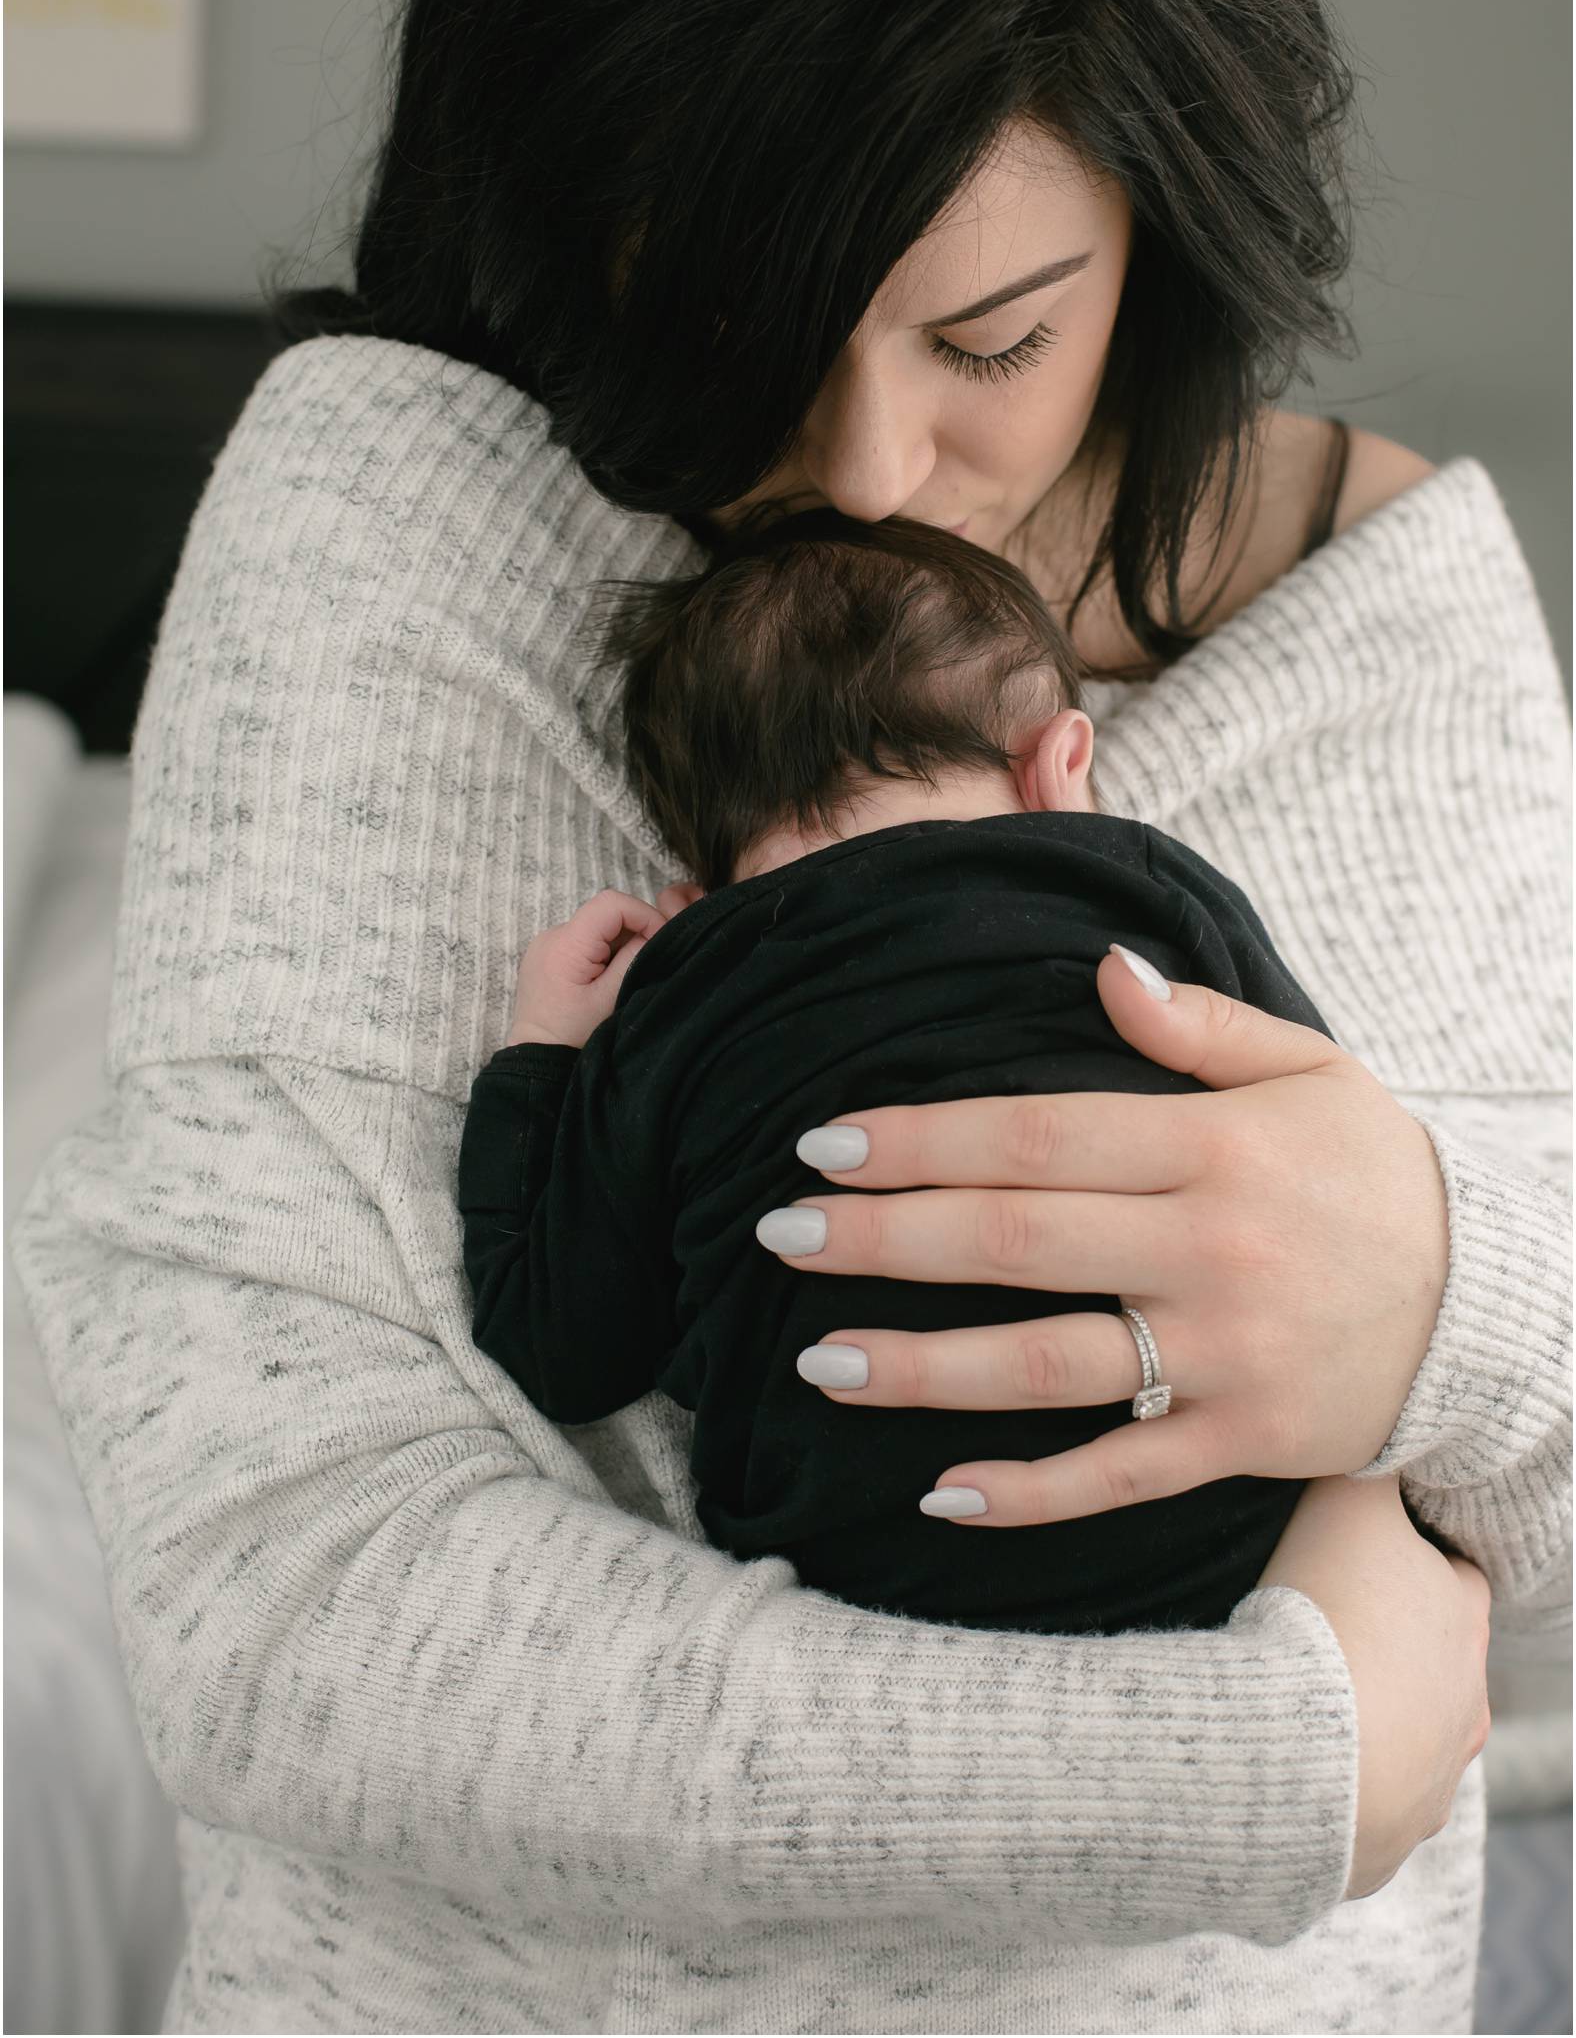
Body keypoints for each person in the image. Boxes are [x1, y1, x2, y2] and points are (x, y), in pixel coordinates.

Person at [11, 0, 1568, 2034]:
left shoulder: (1399, 621)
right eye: (735, 308)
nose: (857, 472)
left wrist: (1445, 1299)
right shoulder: (401, 521)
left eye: (989, 338)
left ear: (1171, 222)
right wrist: (1269, 1767)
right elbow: (293, 1614)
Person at [458, 503, 1392, 1640]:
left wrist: (542, 1056)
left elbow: (558, 1348)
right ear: (1061, 762)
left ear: (695, 894)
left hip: (857, 1587)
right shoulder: (1139, 889)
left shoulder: (680, 999)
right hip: (1221, 1534)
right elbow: (1333, 1152)